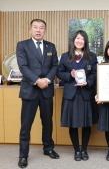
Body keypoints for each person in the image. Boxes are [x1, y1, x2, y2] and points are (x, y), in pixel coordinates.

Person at [16, 19, 59, 168]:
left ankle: (48, 148)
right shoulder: (22, 45)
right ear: (30, 29)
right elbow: (23, 66)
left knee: (47, 123)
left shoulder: (51, 46)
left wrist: (47, 79)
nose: (38, 30)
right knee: (26, 125)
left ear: (45, 30)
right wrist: (36, 80)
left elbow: (55, 65)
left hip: (46, 90)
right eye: (35, 27)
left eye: (41, 28)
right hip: (30, 91)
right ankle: (23, 155)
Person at [57, 30, 97, 161]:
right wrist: (70, 75)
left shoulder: (91, 56)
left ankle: (84, 149)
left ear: (85, 41)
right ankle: (76, 150)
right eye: (77, 38)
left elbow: (95, 74)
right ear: (73, 40)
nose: (79, 41)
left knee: (86, 124)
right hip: (71, 94)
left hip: (86, 93)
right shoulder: (65, 56)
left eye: (82, 39)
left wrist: (88, 82)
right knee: (72, 124)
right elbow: (59, 72)